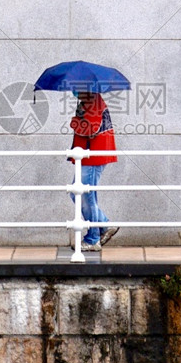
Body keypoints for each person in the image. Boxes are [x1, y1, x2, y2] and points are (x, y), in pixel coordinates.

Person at [68, 91, 119, 252]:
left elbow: (91, 129)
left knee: (87, 196)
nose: (74, 91)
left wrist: (74, 122)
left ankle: (93, 238)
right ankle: (104, 225)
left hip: (93, 155)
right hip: (89, 155)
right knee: (78, 193)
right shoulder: (88, 101)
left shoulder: (93, 101)